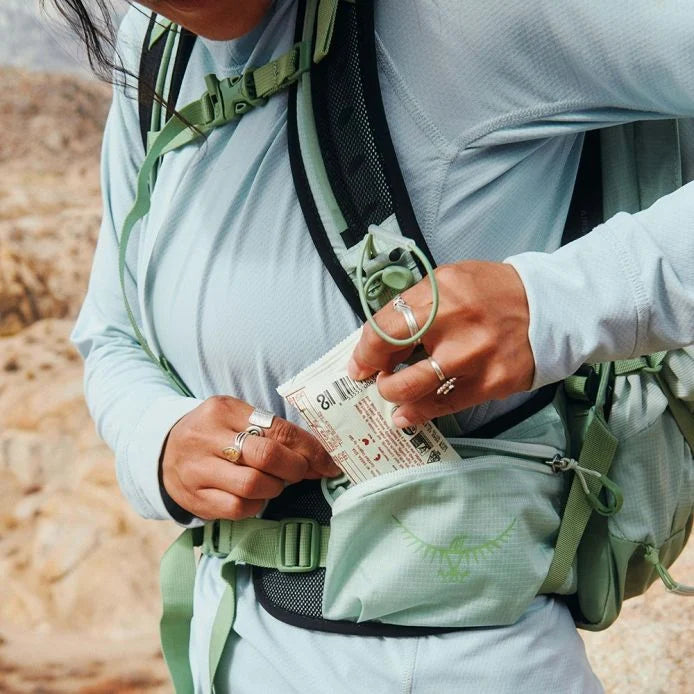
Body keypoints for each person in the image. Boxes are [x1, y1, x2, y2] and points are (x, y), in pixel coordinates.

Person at [63, 0, 694, 691]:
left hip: (469, 661)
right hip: (227, 642)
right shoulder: (155, 47)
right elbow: (111, 330)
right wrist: (157, 437)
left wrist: (558, 302)